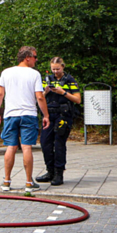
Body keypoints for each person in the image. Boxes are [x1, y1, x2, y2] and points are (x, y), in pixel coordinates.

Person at [0, 46, 50, 192]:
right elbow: (39, 96)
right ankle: (29, 183)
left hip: (10, 114)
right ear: (27, 57)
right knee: (26, 147)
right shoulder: (34, 74)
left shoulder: (6, 72)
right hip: (28, 114)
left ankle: (6, 182)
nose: (36, 60)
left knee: (10, 147)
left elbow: (0, 94)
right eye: (35, 57)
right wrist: (46, 115)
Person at [35, 57, 81, 186]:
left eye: (58, 69)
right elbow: (39, 98)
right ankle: (50, 171)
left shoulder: (70, 80)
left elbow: (77, 100)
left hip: (63, 116)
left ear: (63, 67)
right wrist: (46, 91)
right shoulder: (47, 80)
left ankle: (59, 173)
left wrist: (63, 92)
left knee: (59, 144)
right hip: (49, 115)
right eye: (53, 69)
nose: (55, 72)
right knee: (45, 143)